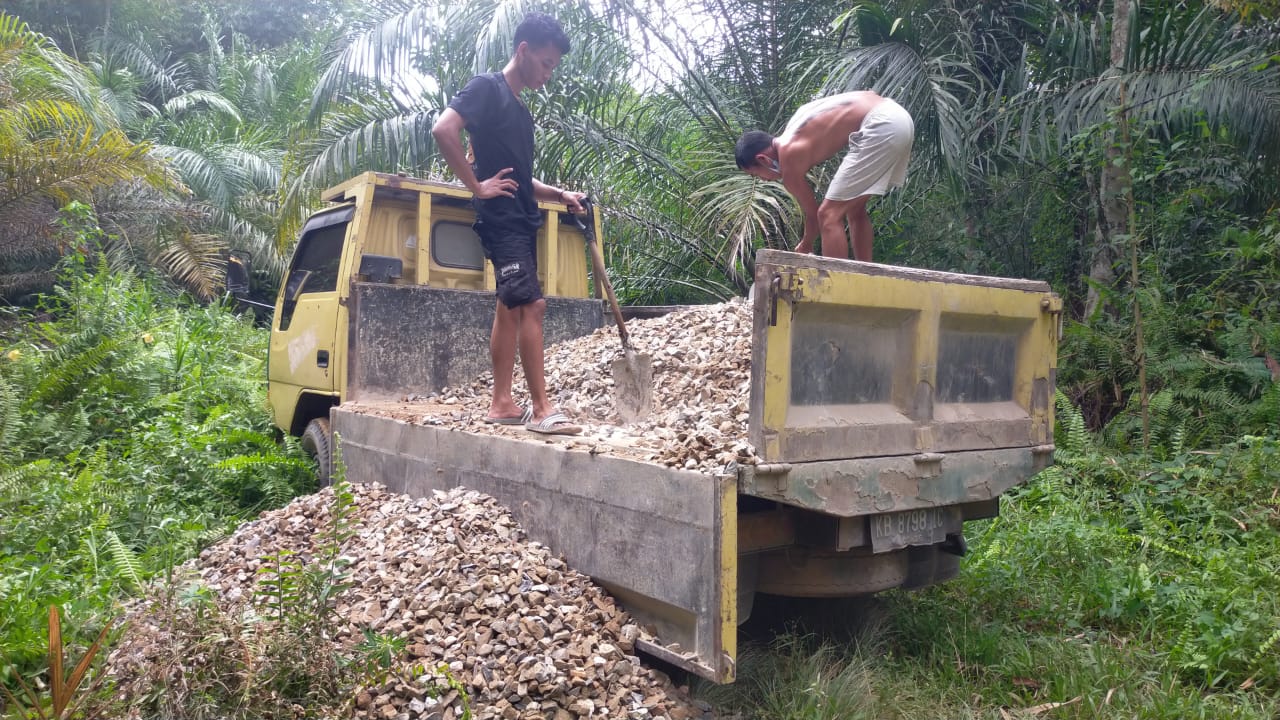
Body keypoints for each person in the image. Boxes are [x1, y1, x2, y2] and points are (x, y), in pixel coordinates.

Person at [432, 11, 584, 435]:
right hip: (500, 220)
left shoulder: (518, 109)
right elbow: (443, 129)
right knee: (531, 304)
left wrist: (559, 195)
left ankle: (501, 403)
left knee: (509, 306)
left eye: (553, 66)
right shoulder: (488, 88)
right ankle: (541, 409)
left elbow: (518, 176)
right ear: (523, 50)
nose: (548, 74)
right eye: (546, 63)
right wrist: (477, 187)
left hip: (520, 217)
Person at [735, 91, 913, 262]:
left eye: (755, 175)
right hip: (897, 115)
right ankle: (866, 272)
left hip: (881, 125)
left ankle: (836, 287)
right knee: (853, 209)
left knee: (828, 215)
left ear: (763, 159)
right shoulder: (796, 125)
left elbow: (813, 215)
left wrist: (806, 244)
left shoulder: (788, 157)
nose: (763, 180)